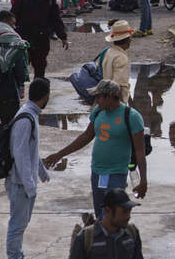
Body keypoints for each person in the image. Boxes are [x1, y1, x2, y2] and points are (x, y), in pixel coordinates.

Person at [43, 80, 148, 220]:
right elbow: (86, 136)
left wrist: (144, 181)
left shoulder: (132, 117)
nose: (96, 100)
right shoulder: (98, 112)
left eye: (99, 97)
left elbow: (140, 151)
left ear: (110, 96)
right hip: (97, 172)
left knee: (112, 216)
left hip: (117, 174)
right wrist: (59, 154)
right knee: (100, 216)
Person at [6, 77, 50, 259]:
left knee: (22, 222)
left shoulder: (30, 115)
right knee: (17, 224)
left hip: (25, 181)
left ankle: (19, 257)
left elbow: (31, 152)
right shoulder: (26, 118)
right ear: (45, 96)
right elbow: (20, 154)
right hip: (19, 182)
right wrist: (29, 185)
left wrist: (41, 172)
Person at [9, 0, 68, 79]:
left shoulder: (50, 2)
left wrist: (63, 37)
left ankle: (38, 91)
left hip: (42, 41)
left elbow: (56, 21)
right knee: (19, 68)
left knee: (40, 68)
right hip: (23, 40)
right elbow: (12, 17)